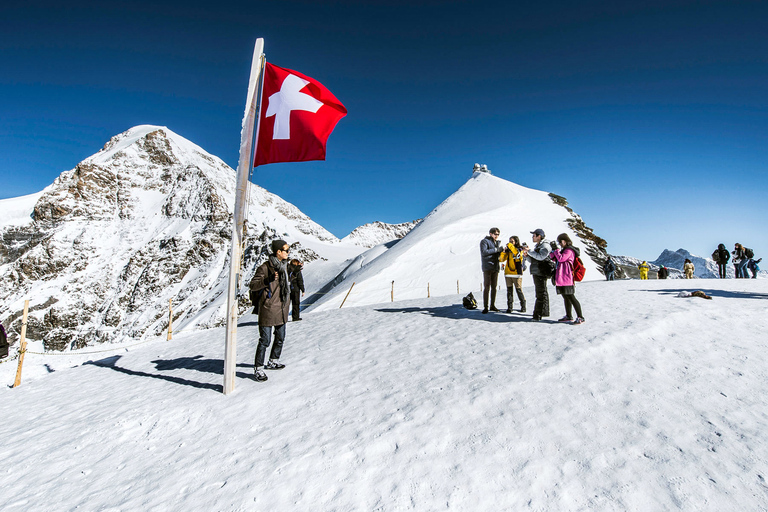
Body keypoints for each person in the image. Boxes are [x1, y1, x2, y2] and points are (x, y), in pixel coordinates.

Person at [250, 239, 292, 382]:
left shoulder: (285, 267)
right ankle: (258, 368)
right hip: (268, 309)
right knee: (265, 340)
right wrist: (266, 280)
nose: (288, 253)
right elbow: (253, 285)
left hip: (281, 308)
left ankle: (273, 360)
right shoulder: (265, 267)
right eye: (286, 250)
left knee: (280, 337)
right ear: (278, 252)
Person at [549, 233, 585, 325]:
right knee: (566, 297)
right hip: (561, 278)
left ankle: (580, 317)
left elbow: (561, 259)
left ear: (564, 241)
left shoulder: (569, 250)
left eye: (560, 242)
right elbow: (553, 258)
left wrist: (556, 250)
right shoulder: (563, 250)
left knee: (571, 297)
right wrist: (553, 250)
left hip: (567, 277)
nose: (559, 244)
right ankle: (569, 315)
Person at [522, 228, 550, 321]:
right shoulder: (539, 245)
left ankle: (537, 315)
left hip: (541, 272)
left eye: (534, 235)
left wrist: (529, 251)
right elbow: (535, 260)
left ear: (539, 236)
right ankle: (543, 312)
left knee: (540, 293)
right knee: (542, 292)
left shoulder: (545, 245)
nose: (532, 237)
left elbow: (541, 257)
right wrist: (527, 256)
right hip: (537, 271)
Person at [479, 227, 504, 314]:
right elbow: (484, 252)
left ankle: (492, 305)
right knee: (487, 287)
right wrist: (497, 250)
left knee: (494, 287)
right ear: (491, 233)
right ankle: (485, 307)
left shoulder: (496, 242)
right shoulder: (484, 241)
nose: (497, 236)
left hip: (495, 267)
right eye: (495, 234)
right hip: (488, 267)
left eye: (498, 234)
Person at [499, 235, 526, 313]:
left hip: (517, 274)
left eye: (512, 241)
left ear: (516, 242)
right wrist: (504, 252)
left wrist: (510, 246)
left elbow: (516, 253)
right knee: (509, 291)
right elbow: (501, 259)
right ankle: (509, 307)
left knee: (518, 290)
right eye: (509, 241)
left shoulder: (519, 249)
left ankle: (523, 306)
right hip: (508, 273)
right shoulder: (509, 250)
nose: (510, 243)